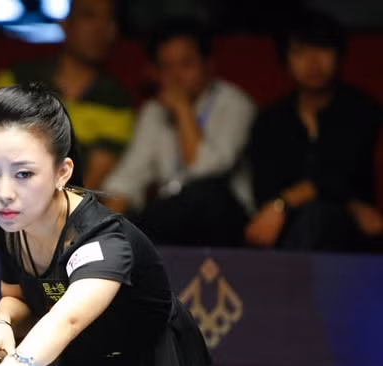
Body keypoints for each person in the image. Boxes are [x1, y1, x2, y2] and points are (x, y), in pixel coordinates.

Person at [0, 83, 210, 366]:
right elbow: (18, 297)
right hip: (79, 354)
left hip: (150, 365)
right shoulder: (11, 220)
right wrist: (1, 323)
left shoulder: (104, 239)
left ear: (62, 172)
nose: (3, 192)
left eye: (23, 173)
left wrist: (17, 363)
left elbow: (68, 318)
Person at [0, 0, 134, 242]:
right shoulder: (16, 79)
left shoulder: (116, 101)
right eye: (89, 16)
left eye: (108, 20)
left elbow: (86, 182)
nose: (100, 28)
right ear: (66, 24)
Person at [103, 17, 256, 247]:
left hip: (225, 220)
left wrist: (182, 109)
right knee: (124, 228)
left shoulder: (235, 104)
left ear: (209, 64)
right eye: (166, 67)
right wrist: (104, 232)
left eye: (186, 64)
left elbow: (204, 169)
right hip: (171, 216)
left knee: (204, 194)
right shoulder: (154, 111)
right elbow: (128, 179)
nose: (176, 76)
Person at [245, 9, 383, 252]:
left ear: (339, 55)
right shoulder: (271, 120)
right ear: (286, 60)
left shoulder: (361, 110)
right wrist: (282, 206)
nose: (313, 62)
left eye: (323, 49)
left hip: (350, 230)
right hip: (285, 226)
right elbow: (264, 189)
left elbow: (340, 175)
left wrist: (286, 201)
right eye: (300, 52)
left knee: (318, 216)